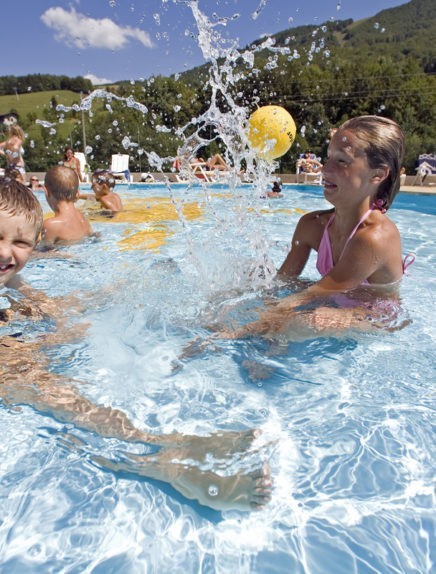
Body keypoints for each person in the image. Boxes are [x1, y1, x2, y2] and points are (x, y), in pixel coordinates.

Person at [0, 176, 272, 512]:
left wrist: (85, 312)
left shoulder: (12, 276)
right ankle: (161, 457)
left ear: (35, 241)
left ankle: (173, 448)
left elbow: (49, 310)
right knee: (51, 395)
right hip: (13, 374)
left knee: (61, 352)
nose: (4, 252)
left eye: (20, 243)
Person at [221, 115, 412, 339]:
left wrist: (239, 331)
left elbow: (316, 294)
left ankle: (265, 355)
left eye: (342, 161)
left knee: (305, 321)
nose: (324, 169)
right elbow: (283, 282)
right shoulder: (311, 225)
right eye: (328, 157)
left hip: (375, 317)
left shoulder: (374, 237)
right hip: (332, 299)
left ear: (378, 174)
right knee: (243, 288)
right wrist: (238, 302)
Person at [43, 165, 93, 244]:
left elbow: (42, 252)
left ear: (47, 192)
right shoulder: (83, 219)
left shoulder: (50, 225)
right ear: (77, 194)